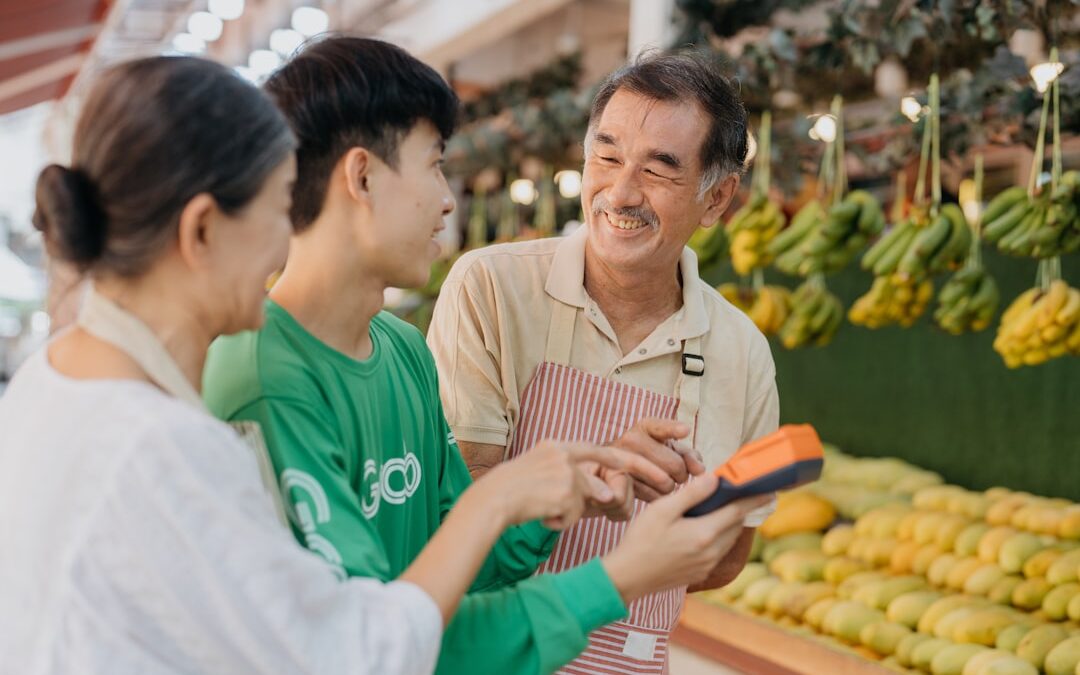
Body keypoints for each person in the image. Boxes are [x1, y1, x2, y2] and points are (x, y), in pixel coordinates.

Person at [0, 55, 646, 674]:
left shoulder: (51, 381)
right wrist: (600, 556)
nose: (289, 236)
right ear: (203, 230)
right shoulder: (167, 446)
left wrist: (531, 496)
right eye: (279, 206)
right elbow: (354, 655)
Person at [202, 36, 768, 675]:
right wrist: (616, 576)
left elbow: (453, 572)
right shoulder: (263, 379)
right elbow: (374, 645)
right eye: (434, 164)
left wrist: (575, 486)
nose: (448, 199)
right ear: (361, 176)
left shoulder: (402, 350)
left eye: (658, 168)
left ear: (716, 198)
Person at [427, 50, 780, 673]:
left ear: (717, 198)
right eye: (607, 156)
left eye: (660, 170)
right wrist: (600, 493)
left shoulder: (743, 350)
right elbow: (456, 506)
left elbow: (728, 554)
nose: (620, 192)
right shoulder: (491, 288)